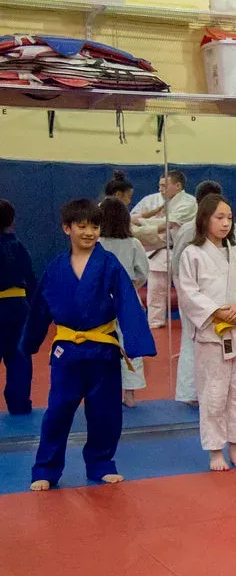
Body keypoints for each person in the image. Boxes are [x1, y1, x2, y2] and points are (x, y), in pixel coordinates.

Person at [20, 199, 156, 491]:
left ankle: (101, 463)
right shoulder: (56, 267)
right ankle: (46, 467)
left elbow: (127, 301)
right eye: (82, 226)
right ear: (66, 228)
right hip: (67, 351)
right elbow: (41, 308)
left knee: (105, 411)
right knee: (57, 411)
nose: (89, 232)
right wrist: (30, 341)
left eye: (94, 226)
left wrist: (136, 341)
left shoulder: (108, 263)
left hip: (102, 350)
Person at [178, 194, 236, 472]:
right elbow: (188, 293)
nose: (225, 223)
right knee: (214, 395)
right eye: (219, 217)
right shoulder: (192, 254)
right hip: (212, 335)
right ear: (204, 219)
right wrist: (217, 311)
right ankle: (215, 451)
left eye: (229, 218)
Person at [170, 181, 236, 406]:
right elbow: (178, 265)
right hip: (195, 290)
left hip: (225, 290)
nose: (224, 222)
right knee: (194, 337)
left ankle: (203, 393)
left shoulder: (228, 229)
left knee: (220, 340)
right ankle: (192, 392)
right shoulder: (189, 229)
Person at [98, 198, 149, 408]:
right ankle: (130, 394)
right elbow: (142, 272)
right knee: (130, 344)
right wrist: (132, 288)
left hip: (99, 298)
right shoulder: (133, 243)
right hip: (127, 295)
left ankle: (104, 391)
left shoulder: (96, 243)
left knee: (101, 344)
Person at [130, 170, 198, 329]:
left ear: (178, 186)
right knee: (155, 292)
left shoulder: (188, 202)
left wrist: (144, 224)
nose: (160, 189)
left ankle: (190, 325)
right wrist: (140, 222)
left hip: (181, 252)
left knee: (185, 291)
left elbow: (167, 224)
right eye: (159, 185)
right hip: (157, 251)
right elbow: (132, 218)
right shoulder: (151, 200)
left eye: (164, 185)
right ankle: (154, 323)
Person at [0, 199, 35, 416]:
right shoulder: (20, 246)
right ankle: (19, 404)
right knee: (19, 358)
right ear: (12, 220)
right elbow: (31, 280)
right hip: (19, 307)